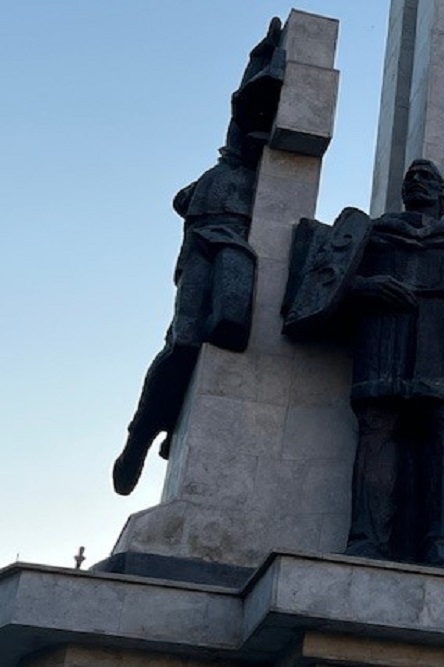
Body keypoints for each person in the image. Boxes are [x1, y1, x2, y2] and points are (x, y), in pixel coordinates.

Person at [113, 20, 284, 496]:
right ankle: (143, 434)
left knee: (230, 327)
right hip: (202, 251)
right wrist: (265, 53)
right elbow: (242, 101)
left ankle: (181, 421)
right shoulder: (227, 162)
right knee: (184, 342)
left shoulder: (266, 173)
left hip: (239, 248)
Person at [343, 159, 444, 569]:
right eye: (412, 178)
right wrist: (368, 286)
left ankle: (441, 542)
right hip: (384, 339)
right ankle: (367, 538)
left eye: (428, 178)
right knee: (377, 431)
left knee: (443, 436)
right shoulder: (376, 231)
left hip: (441, 345)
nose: (418, 182)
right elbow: (331, 280)